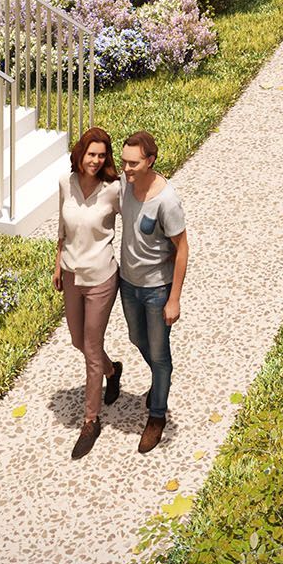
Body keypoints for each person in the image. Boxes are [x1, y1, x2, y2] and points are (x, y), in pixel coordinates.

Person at [54, 126, 124, 460]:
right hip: (71, 275)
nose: (95, 160)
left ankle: (91, 420)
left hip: (101, 278)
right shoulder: (65, 184)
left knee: (92, 348)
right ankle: (113, 371)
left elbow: (139, 218)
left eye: (101, 155)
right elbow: (62, 228)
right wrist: (57, 265)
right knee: (78, 341)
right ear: (80, 153)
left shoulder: (113, 190)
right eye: (90, 153)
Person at [118, 129, 188, 453]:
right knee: (136, 339)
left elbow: (182, 249)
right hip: (128, 284)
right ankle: (161, 378)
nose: (127, 169)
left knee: (160, 356)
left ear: (150, 160)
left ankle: (156, 414)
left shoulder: (167, 201)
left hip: (157, 290)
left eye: (133, 164)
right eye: (124, 163)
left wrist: (173, 299)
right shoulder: (125, 185)